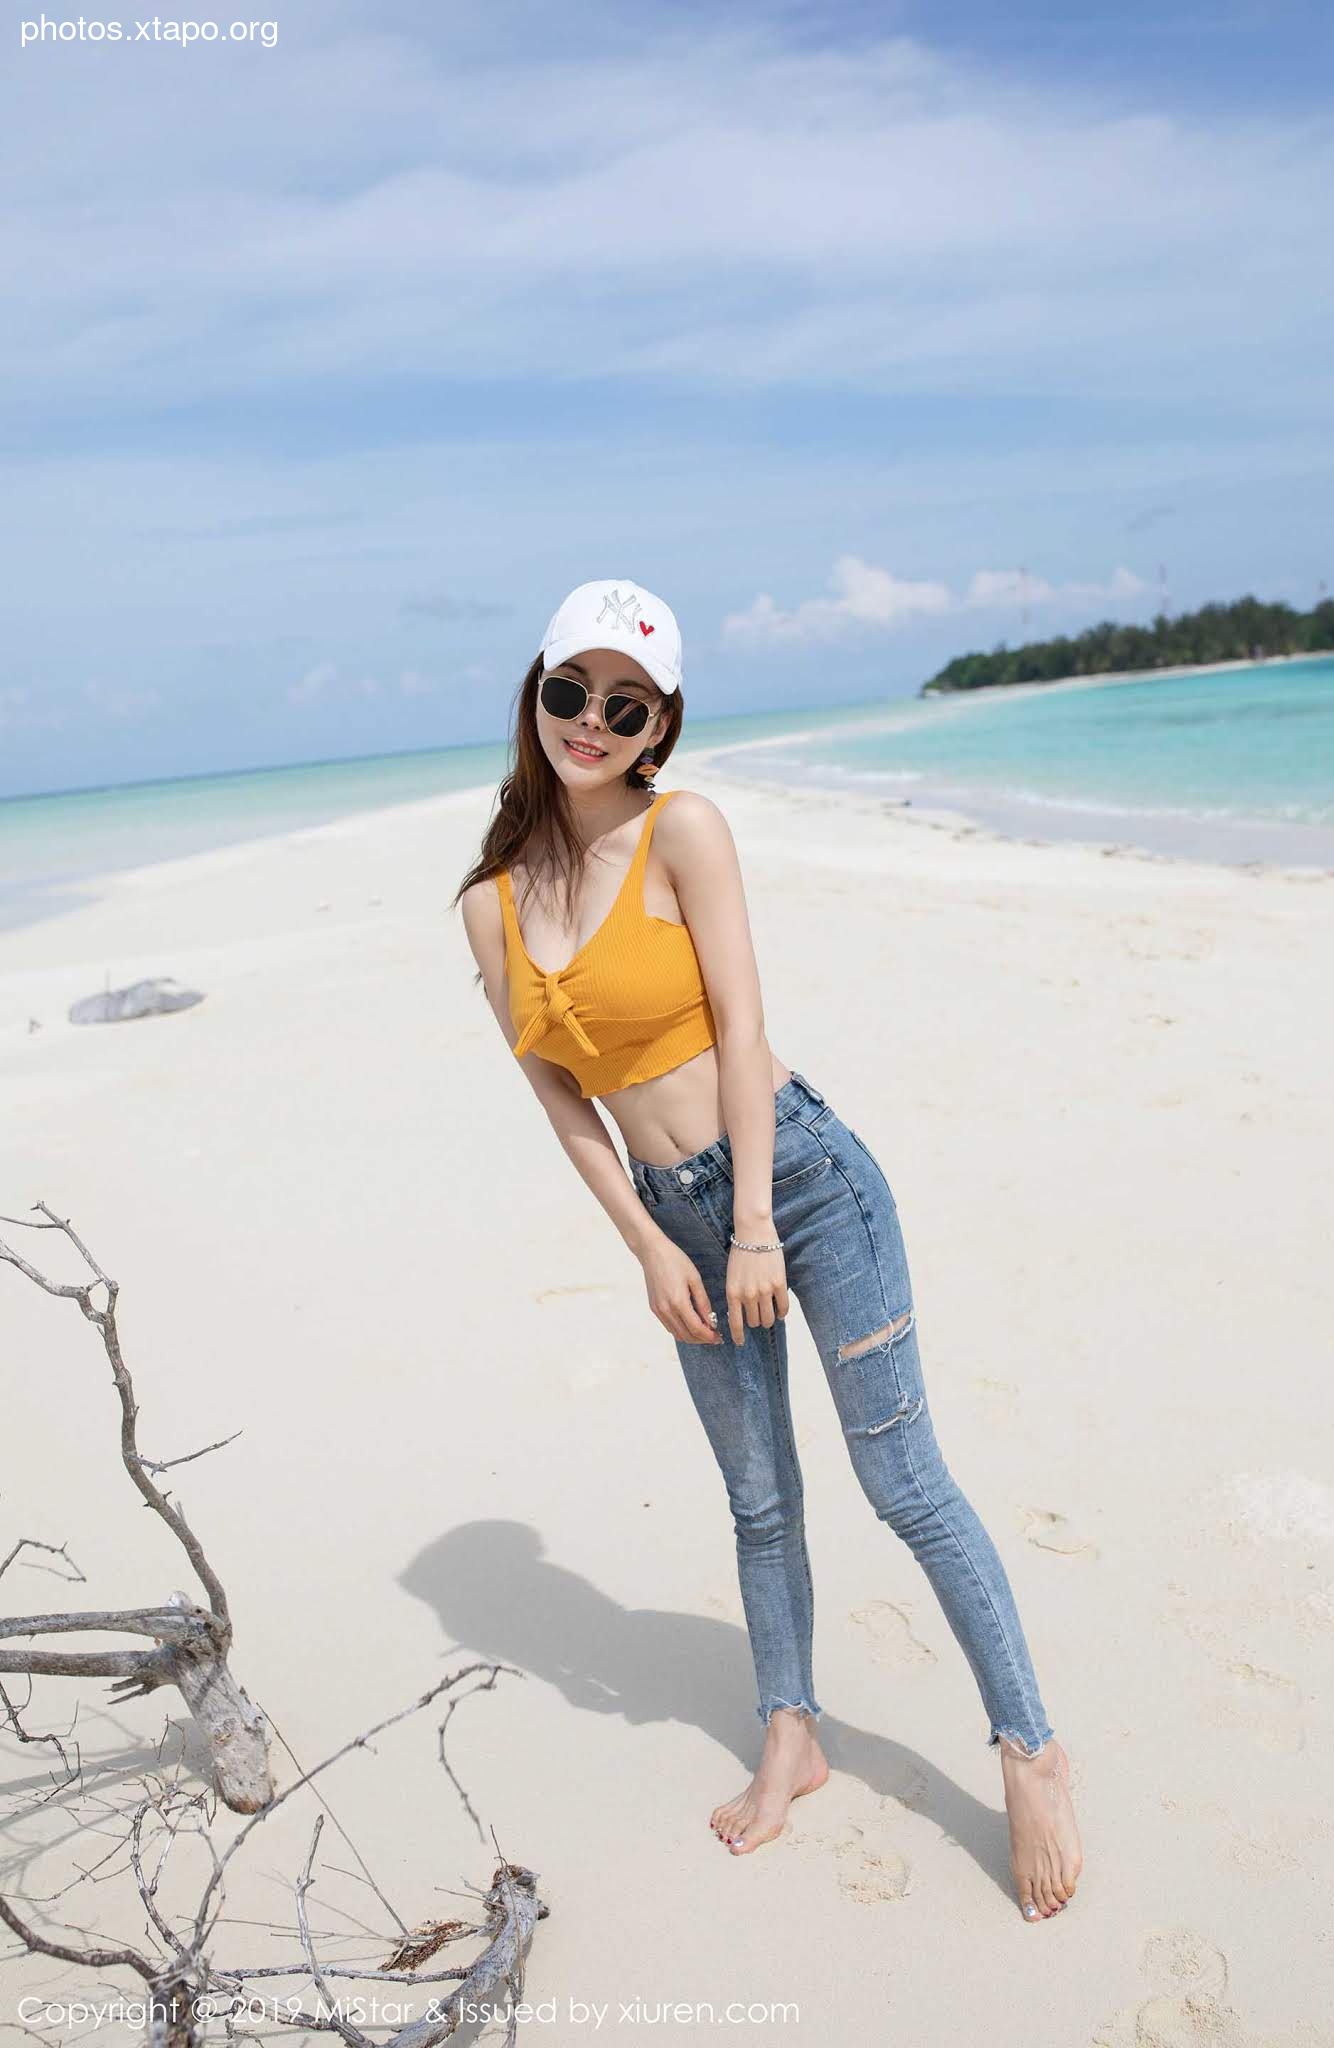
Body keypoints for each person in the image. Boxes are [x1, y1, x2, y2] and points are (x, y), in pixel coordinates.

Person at [455, 578, 1083, 1919]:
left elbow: (741, 1026)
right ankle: (790, 1735)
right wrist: (649, 1245)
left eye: (626, 706)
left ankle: (1029, 1751)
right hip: (673, 1217)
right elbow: (560, 1102)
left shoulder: (683, 830)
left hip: (796, 1181)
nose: (591, 720)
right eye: (570, 691)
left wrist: (750, 1224)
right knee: (757, 1498)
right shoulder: (490, 905)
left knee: (902, 1483)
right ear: (536, 693)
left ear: (660, 725)